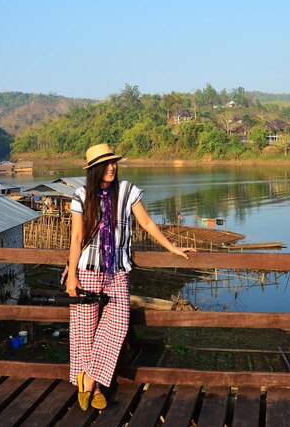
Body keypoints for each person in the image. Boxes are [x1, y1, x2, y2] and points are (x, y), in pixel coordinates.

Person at [66, 143, 194, 411]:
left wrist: (171, 247)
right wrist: (71, 276)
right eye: (106, 164)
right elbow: (76, 237)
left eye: (114, 163)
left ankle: (87, 378)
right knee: (86, 330)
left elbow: (146, 223)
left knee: (118, 324)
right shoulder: (80, 196)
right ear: (94, 170)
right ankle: (98, 386)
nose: (112, 167)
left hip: (116, 271)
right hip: (87, 270)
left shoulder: (127, 191)